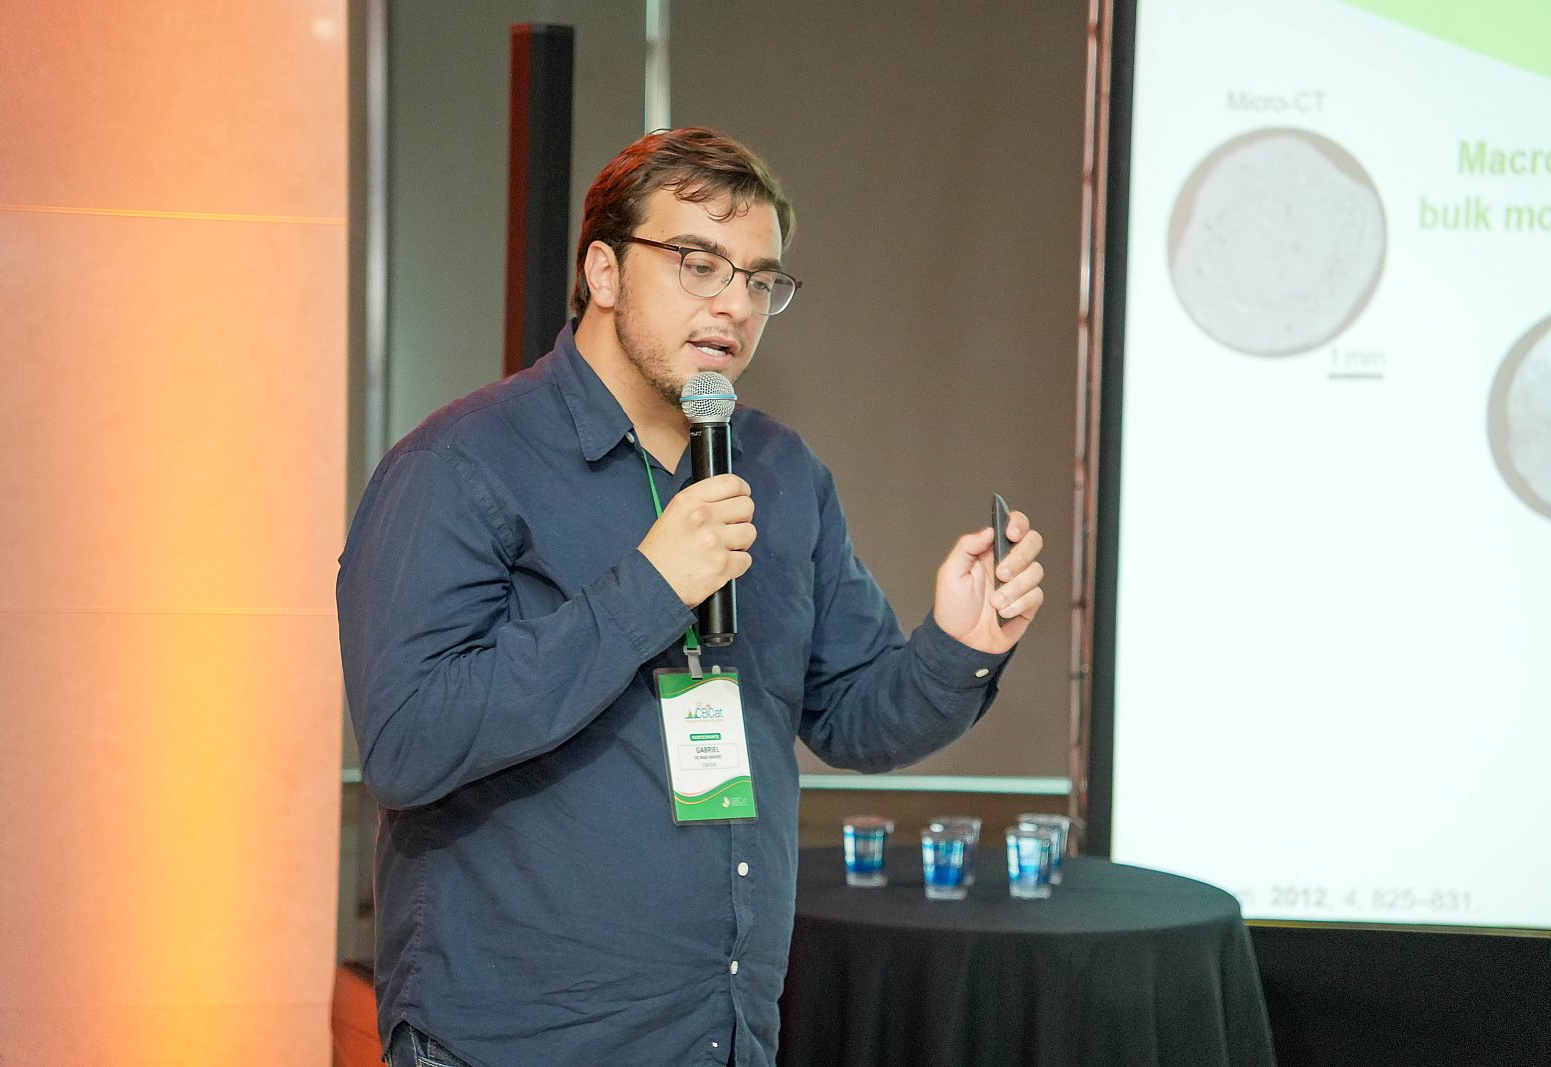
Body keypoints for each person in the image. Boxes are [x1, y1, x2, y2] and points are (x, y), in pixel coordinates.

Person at [337, 126, 1045, 1067]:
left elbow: (852, 715)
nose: (735, 304)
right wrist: (650, 588)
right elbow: (406, 741)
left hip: (720, 1036)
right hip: (514, 1042)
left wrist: (959, 646)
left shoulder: (781, 471)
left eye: (760, 280)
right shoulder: (460, 465)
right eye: (699, 264)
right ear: (603, 270)